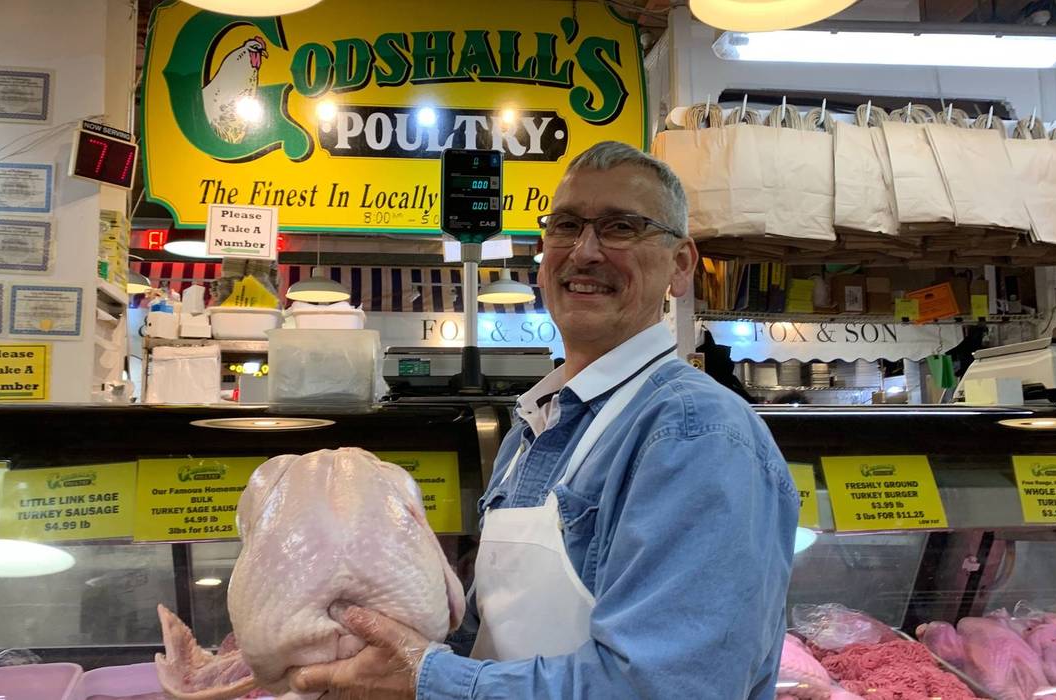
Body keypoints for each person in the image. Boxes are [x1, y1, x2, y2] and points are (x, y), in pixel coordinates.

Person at [287, 142, 800, 699]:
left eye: (620, 227)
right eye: (566, 225)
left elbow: (663, 688)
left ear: (680, 266)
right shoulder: (532, 427)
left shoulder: (694, 432)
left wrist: (426, 678)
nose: (584, 252)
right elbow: (489, 636)